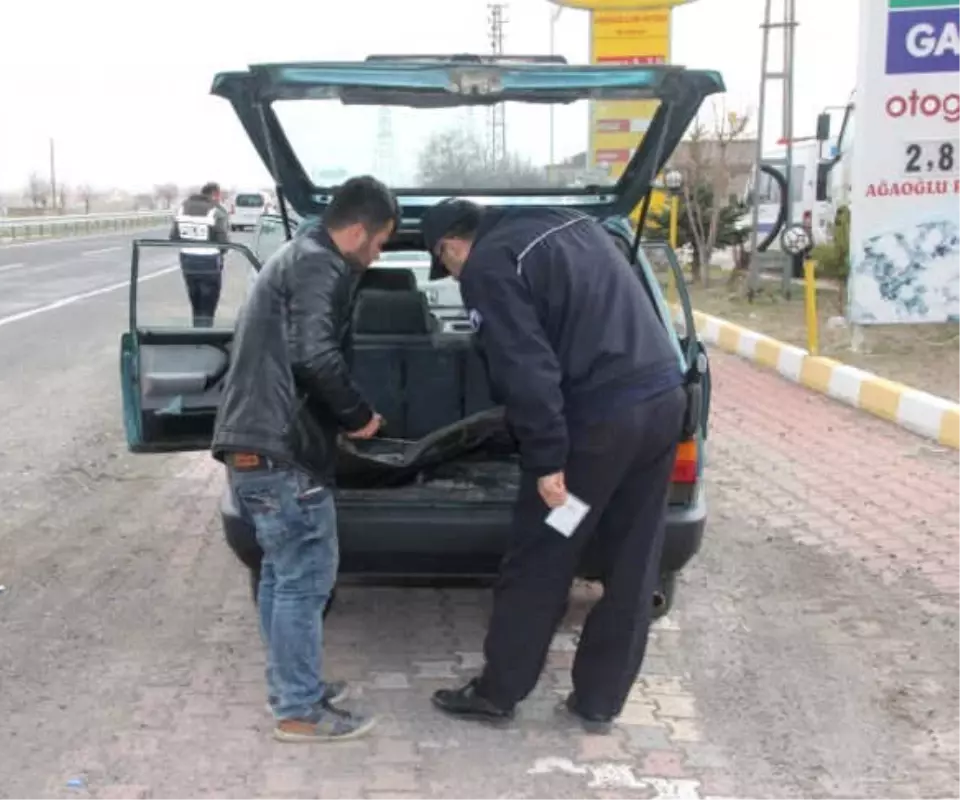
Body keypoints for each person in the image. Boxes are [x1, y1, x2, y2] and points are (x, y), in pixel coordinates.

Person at [421, 198, 688, 734]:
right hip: (663, 405)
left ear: (450, 246)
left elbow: (527, 370)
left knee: (545, 551)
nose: (454, 275)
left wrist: (546, 461)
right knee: (636, 560)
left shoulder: (489, 264)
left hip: (599, 430)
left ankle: (499, 692)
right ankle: (599, 699)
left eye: (445, 266)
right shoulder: (573, 223)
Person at [210, 176, 399, 743]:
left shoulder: (294, 255)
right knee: (304, 580)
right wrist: (359, 416)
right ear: (360, 230)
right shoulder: (323, 264)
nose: (379, 253)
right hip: (281, 451)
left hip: (253, 445)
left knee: (280, 575)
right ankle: (298, 711)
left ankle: (294, 685)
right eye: (382, 241)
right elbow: (313, 354)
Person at [171, 182, 231, 327]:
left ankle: (197, 330)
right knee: (208, 303)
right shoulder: (216, 210)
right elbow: (223, 242)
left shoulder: (182, 208)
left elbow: (173, 237)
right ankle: (204, 335)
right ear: (215, 194)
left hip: (187, 262)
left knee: (195, 300)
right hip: (209, 262)